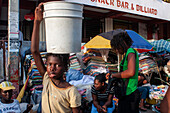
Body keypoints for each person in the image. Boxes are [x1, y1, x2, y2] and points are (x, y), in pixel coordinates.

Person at [31, 3, 81, 113]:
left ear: (66, 67)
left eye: (57, 65)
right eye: (49, 64)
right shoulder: (47, 79)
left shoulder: (71, 91)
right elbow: (34, 51)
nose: (52, 68)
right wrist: (37, 21)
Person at [107, 31, 140, 113]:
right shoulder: (127, 54)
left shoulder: (130, 51)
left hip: (131, 93)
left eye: (117, 47)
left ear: (122, 44)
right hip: (126, 93)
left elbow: (130, 72)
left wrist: (114, 75)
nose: (117, 50)